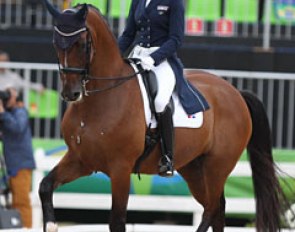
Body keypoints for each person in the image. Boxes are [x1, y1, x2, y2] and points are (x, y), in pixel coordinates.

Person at [118, 0, 209, 177]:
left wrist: (154, 58)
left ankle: (167, 157)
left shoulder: (174, 2)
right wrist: (113, 55)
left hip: (161, 60)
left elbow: (176, 39)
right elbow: (128, 34)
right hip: (137, 56)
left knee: (160, 101)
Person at [0, 88, 36, 228]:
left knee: (22, 202)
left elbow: (18, 128)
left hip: (21, 164)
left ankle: (27, 229)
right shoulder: (8, 116)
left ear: (16, 98)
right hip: (12, 165)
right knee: (15, 203)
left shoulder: (21, 112)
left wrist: (2, 113)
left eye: (9, 95)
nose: (6, 97)